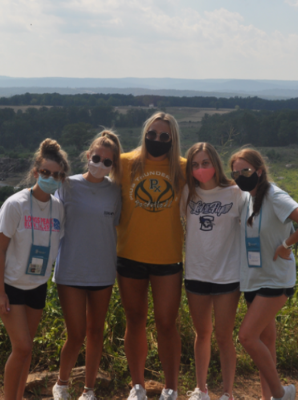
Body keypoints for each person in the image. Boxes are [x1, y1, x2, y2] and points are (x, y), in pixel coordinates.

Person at [116, 111, 186, 400]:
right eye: (152, 134)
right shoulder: (125, 164)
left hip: (168, 258)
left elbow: (216, 185)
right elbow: (90, 181)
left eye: (164, 136)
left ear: (173, 140)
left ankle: (171, 388)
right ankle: (138, 387)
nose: (157, 139)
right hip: (130, 254)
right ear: (145, 134)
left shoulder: (182, 168)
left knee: (167, 324)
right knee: (135, 320)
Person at [52, 130, 122, 400]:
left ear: (114, 165)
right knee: (76, 333)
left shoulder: (116, 191)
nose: (101, 164)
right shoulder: (66, 185)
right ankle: (62, 383)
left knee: (96, 332)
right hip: (70, 269)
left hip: (103, 271)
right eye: (97, 158)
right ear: (87, 155)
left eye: (108, 162)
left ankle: (89, 389)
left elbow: (118, 227)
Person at [0, 139, 68, 400]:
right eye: (46, 173)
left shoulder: (58, 208)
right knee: (22, 346)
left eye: (57, 175)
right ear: (36, 172)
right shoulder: (15, 204)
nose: (51, 178)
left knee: (26, 351)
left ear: (62, 177)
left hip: (37, 285)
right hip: (11, 286)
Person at [230, 148, 297, 400]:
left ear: (259, 171)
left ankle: (281, 393)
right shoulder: (247, 196)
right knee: (265, 342)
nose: (240, 176)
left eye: (245, 171)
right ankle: (267, 397)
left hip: (275, 279)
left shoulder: (274, 195)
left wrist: (286, 245)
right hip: (254, 280)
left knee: (247, 337)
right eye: (236, 172)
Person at [180, 142, 245, 400]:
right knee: (202, 334)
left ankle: (227, 392)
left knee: (223, 336)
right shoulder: (187, 192)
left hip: (227, 274)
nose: (200, 169)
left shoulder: (235, 193)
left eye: (205, 163)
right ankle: (201, 389)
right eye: (195, 165)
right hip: (196, 272)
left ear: (215, 164)